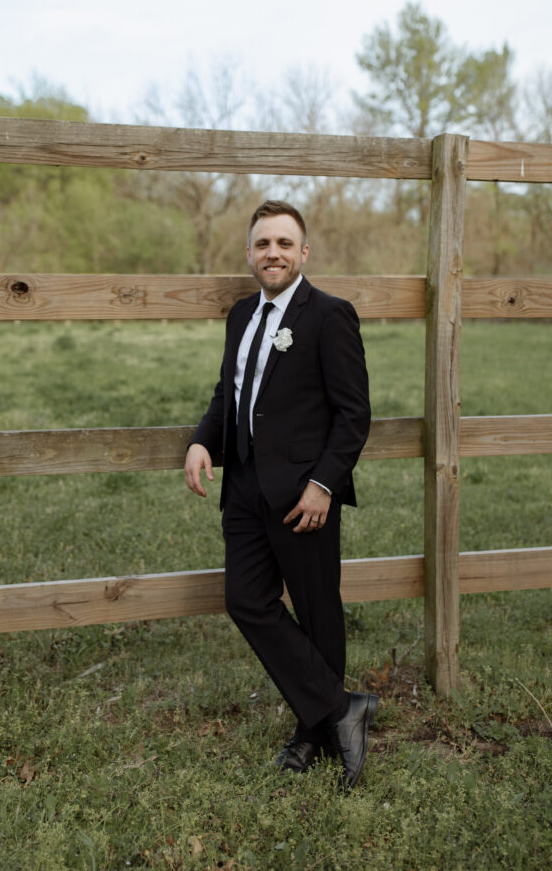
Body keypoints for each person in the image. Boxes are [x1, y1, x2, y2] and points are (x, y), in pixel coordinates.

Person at [184, 199, 376, 788]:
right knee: (246, 600)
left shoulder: (329, 315)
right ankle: (342, 709)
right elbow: (229, 392)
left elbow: (353, 414)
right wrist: (202, 443)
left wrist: (323, 485)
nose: (274, 253)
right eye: (264, 244)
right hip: (242, 489)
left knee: (318, 613)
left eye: (285, 244)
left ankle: (311, 733)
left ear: (304, 253)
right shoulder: (241, 315)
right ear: (249, 253)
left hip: (302, 495)